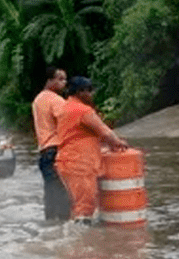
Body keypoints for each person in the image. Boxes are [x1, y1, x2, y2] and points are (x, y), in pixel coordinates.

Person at [54, 76, 130, 224]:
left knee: (77, 204)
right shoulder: (82, 110)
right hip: (80, 163)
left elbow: (79, 134)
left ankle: (75, 237)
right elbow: (104, 131)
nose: (92, 95)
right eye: (89, 91)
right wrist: (118, 143)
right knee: (85, 206)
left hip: (66, 162)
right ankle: (84, 242)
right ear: (80, 92)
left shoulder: (65, 108)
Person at [32, 67, 70, 221]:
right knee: (63, 195)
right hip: (56, 151)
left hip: (44, 152)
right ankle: (63, 233)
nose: (64, 83)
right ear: (50, 80)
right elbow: (68, 123)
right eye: (60, 79)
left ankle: (51, 233)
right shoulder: (55, 100)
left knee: (50, 194)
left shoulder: (38, 99)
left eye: (65, 79)